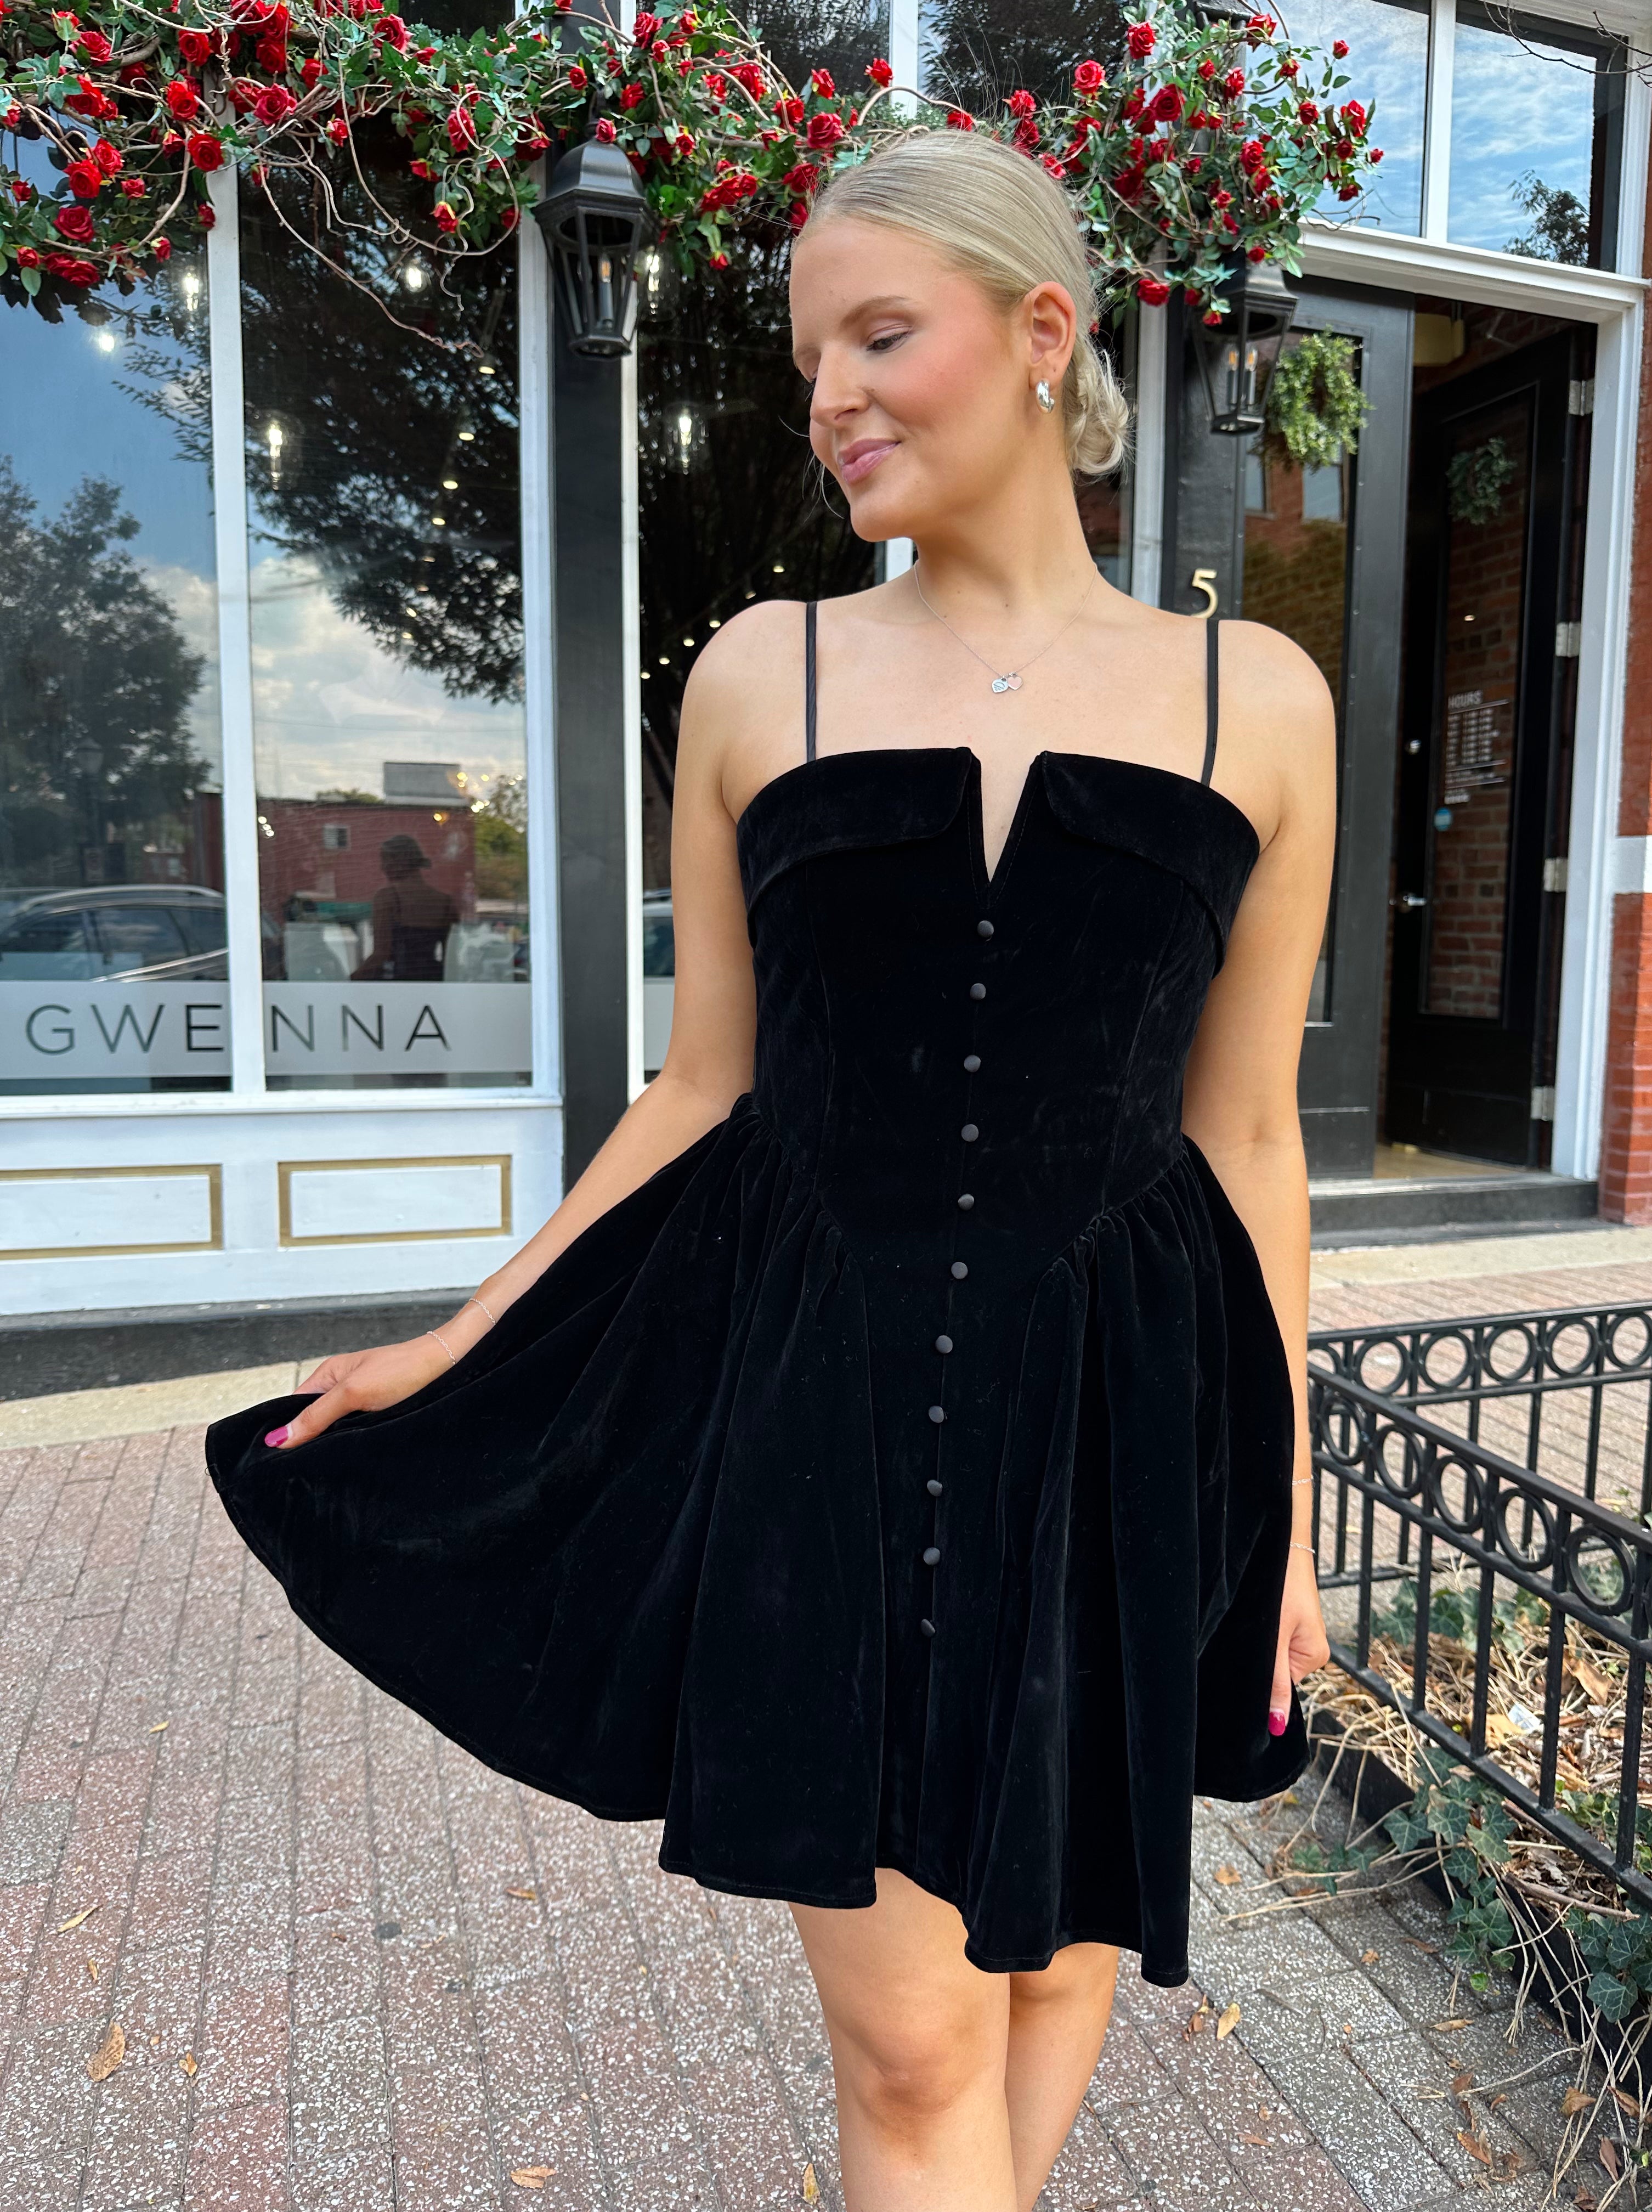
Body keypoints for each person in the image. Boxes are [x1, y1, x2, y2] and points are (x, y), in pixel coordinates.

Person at [208, 127, 1334, 2212]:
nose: (826, 395)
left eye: (875, 334)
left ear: (1036, 336)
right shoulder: (758, 668)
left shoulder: (1253, 694)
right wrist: (460, 1343)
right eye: (809, 349)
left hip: (1124, 1414)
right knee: (910, 2044)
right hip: (827, 1408)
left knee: (1057, 1960)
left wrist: (1276, 1520)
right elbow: (694, 1085)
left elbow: (1246, 1134)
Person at [348, 831, 458, 982]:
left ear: (399, 862)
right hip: (434, 982)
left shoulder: (388, 897)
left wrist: (349, 981)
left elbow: (382, 954)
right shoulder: (445, 902)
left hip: (397, 984)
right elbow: (451, 959)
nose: (383, 867)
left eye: (385, 860)